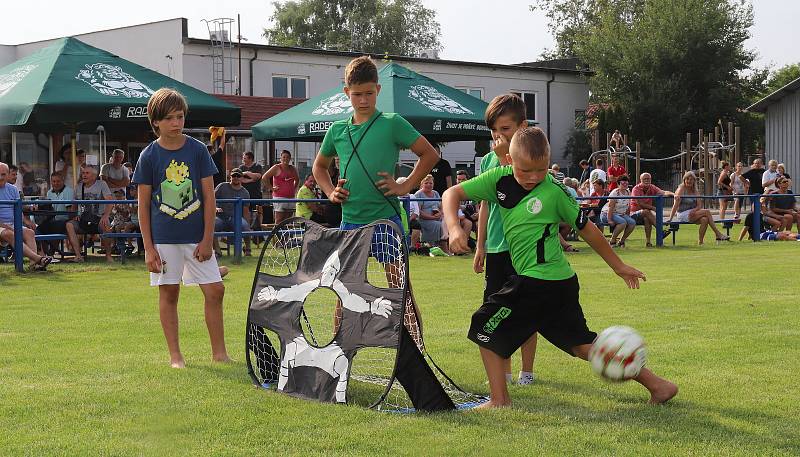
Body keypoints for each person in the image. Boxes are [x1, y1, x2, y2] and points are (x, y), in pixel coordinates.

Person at [442, 127, 677, 408]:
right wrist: (454, 227)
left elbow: (589, 230)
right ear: (510, 161)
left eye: (541, 170)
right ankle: (659, 385)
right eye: (525, 170)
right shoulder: (499, 180)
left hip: (540, 282)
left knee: (484, 325)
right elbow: (452, 193)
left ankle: (499, 400)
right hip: (555, 284)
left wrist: (619, 266)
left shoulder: (555, 193)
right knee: (581, 345)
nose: (533, 177)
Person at [132, 88, 230, 369]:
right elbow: (143, 206)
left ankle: (219, 353)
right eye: (170, 118)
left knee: (215, 291)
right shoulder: (149, 156)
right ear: (156, 122)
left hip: (197, 238)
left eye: (180, 116)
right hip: (164, 240)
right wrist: (149, 249)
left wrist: (208, 238)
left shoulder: (198, 150)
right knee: (169, 293)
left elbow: (210, 198)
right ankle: (176, 356)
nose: (176, 122)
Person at [311, 55, 438, 255]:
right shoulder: (337, 130)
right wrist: (330, 192)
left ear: (378, 89)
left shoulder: (392, 123)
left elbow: (430, 154)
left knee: (398, 283)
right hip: (350, 221)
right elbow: (319, 167)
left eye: (369, 93)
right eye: (357, 94)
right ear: (347, 93)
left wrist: (406, 185)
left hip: (386, 218)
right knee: (348, 284)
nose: (363, 100)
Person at [474, 94, 538, 385]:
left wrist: (505, 159)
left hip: (523, 247)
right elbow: (486, 203)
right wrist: (480, 245)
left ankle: (527, 371)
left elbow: (519, 194)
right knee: (495, 310)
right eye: (494, 131)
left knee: (526, 309)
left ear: (522, 126)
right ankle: (505, 371)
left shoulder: (530, 158)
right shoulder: (487, 160)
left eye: (505, 130)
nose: (498, 137)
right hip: (497, 248)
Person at [0, 162, 52, 270]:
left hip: (12, 224)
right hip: (2, 227)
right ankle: (38, 259)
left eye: (3, 174)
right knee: (10, 233)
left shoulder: (13, 189)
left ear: (8, 174)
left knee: (30, 232)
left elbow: (18, 210)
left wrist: (24, 222)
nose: (1, 177)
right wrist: (7, 226)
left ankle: (34, 265)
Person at [65, 167, 114, 263]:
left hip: (98, 218)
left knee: (106, 224)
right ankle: (78, 256)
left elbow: (110, 201)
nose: (84, 175)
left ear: (94, 176)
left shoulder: (102, 184)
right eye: (83, 173)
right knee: (69, 225)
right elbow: (73, 206)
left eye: (87, 173)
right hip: (83, 220)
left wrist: (105, 216)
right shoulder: (78, 187)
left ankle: (108, 256)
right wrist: (74, 215)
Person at [667, 171, 730, 244]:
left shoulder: (695, 190)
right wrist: (670, 218)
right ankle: (718, 234)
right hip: (682, 213)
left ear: (694, 181)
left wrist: (694, 210)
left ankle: (700, 242)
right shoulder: (681, 189)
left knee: (704, 219)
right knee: (707, 212)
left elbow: (699, 205)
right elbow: (675, 205)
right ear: (684, 180)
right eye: (687, 179)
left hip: (693, 212)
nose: (689, 181)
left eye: (691, 179)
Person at [36, 172, 78, 257]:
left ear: (63, 181)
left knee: (51, 227)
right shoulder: (49, 193)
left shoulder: (68, 191)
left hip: (65, 220)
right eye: (54, 181)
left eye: (58, 181)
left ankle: (50, 253)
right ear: (51, 182)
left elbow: (70, 212)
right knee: (39, 228)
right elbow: (48, 208)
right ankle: (44, 254)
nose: (56, 183)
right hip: (53, 219)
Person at [214, 168, 253, 256]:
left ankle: (247, 249)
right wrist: (215, 208)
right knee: (211, 226)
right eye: (233, 176)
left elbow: (246, 211)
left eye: (238, 176)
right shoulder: (222, 186)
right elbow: (211, 198)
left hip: (236, 218)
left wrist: (248, 225)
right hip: (220, 216)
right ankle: (217, 251)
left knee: (246, 227)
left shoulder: (245, 193)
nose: (235, 177)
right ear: (230, 177)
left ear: (241, 178)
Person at [630, 173, 673, 247]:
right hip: (633, 214)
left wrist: (674, 195)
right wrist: (653, 208)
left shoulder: (652, 187)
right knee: (647, 212)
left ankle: (648, 242)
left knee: (647, 218)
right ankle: (661, 230)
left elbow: (663, 192)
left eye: (648, 179)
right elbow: (640, 204)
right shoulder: (636, 189)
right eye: (645, 179)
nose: (647, 180)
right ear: (641, 180)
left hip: (646, 214)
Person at [262, 150, 299, 225]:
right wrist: (271, 188)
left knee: (289, 220)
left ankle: (287, 236)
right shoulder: (276, 167)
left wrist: (294, 189)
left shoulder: (292, 168)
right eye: (284, 157)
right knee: (279, 219)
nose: (285, 159)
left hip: (291, 197)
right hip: (279, 197)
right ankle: (276, 236)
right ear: (280, 158)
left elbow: (297, 180)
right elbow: (264, 177)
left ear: (290, 159)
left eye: (288, 157)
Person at [414, 174, 449, 254]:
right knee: (438, 225)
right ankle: (442, 248)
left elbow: (441, 206)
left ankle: (452, 246)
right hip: (423, 220)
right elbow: (419, 211)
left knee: (448, 222)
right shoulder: (418, 195)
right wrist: (432, 217)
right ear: (422, 184)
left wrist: (440, 213)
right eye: (426, 183)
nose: (429, 185)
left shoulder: (436, 193)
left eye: (430, 183)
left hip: (437, 217)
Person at [600, 175, 636, 247]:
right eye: (623, 183)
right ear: (618, 184)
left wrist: (628, 216)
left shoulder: (628, 192)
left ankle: (622, 241)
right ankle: (612, 240)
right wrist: (609, 220)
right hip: (607, 213)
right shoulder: (615, 193)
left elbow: (628, 206)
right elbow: (610, 207)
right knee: (622, 222)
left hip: (620, 214)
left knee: (632, 222)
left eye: (626, 183)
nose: (625, 185)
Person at [239, 151, 264, 230]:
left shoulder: (257, 166)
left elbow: (258, 176)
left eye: (245, 158)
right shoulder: (241, 167)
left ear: (250, 159)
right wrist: (251, 179)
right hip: (244, 194)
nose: (243, 159)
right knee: (246, 212)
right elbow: (240, 178)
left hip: (256, 193)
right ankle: (247, 228)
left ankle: (259, 228)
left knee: (258, 211)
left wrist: (246, 173)